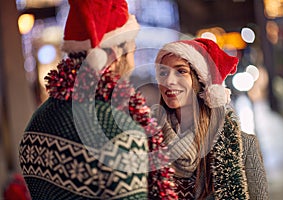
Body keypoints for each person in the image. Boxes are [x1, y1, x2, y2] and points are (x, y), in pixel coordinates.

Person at [18, 0, 178, 199]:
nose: (132, 61)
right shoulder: (121, 133)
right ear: (115, 54)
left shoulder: (36, 123)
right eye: (132, 50)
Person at [153, 38, 270, 199]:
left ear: (201, 81)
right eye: (163, 73)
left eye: (181, 71)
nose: (169, 81)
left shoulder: (243, 146)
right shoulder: (149, 144)